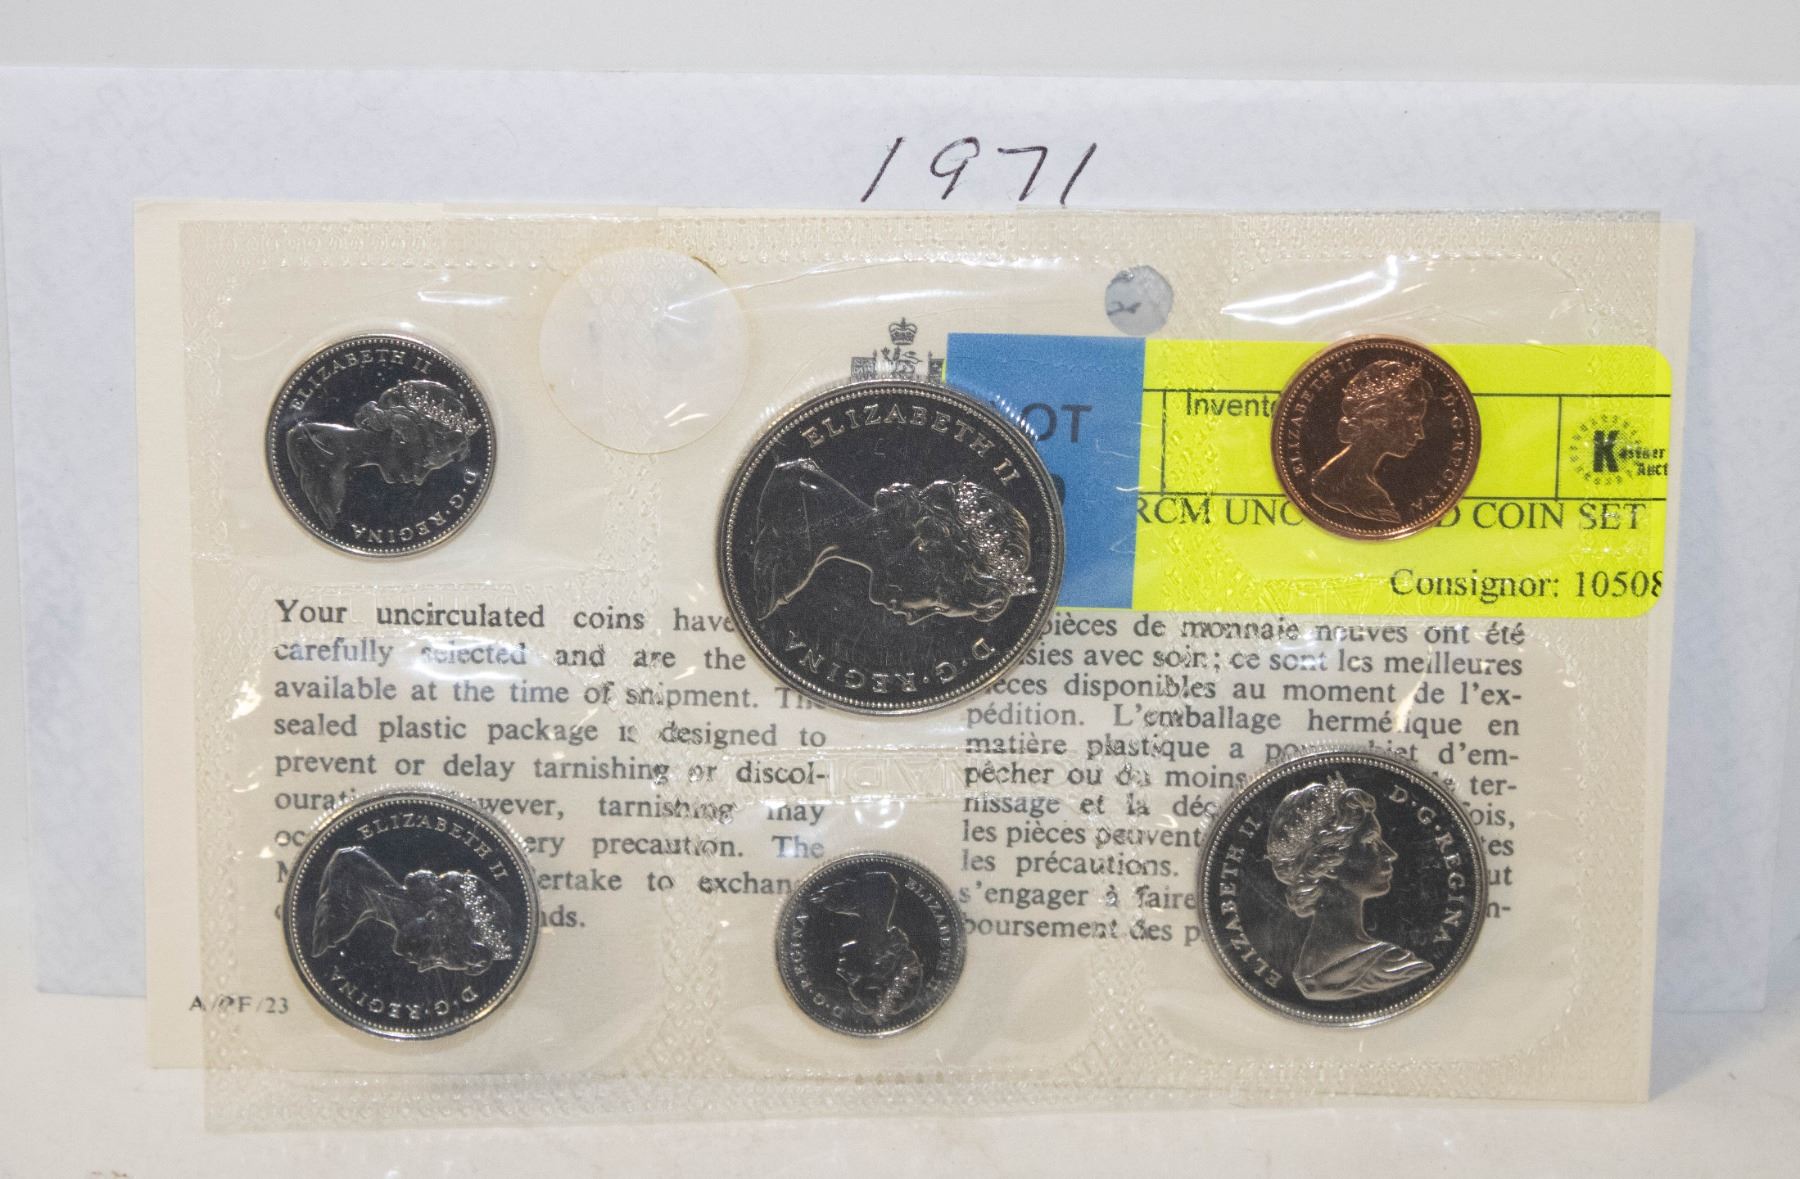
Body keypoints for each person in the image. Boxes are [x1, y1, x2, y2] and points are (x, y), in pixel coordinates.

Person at [750, 457, 1036, 625]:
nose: (914, 619)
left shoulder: (808, 526)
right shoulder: (797, 503)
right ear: (927, 546)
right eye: (937, 604)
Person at [1265, 774, 1431, 1001]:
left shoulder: (1305, 971)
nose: (1390, 854)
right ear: (1328, 863)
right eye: (1371, 842)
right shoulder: (1391, 967)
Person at [285, 379, 483, 528]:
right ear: (399, 435)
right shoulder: (312, 448)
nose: (420, 479)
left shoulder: (328, 459)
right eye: (423, 463)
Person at [1308, 358, 1430, 525]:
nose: (1420, 434)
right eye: (1412, 421)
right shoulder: (1369, 497)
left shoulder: (1329, 478)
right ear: (1380, 420)